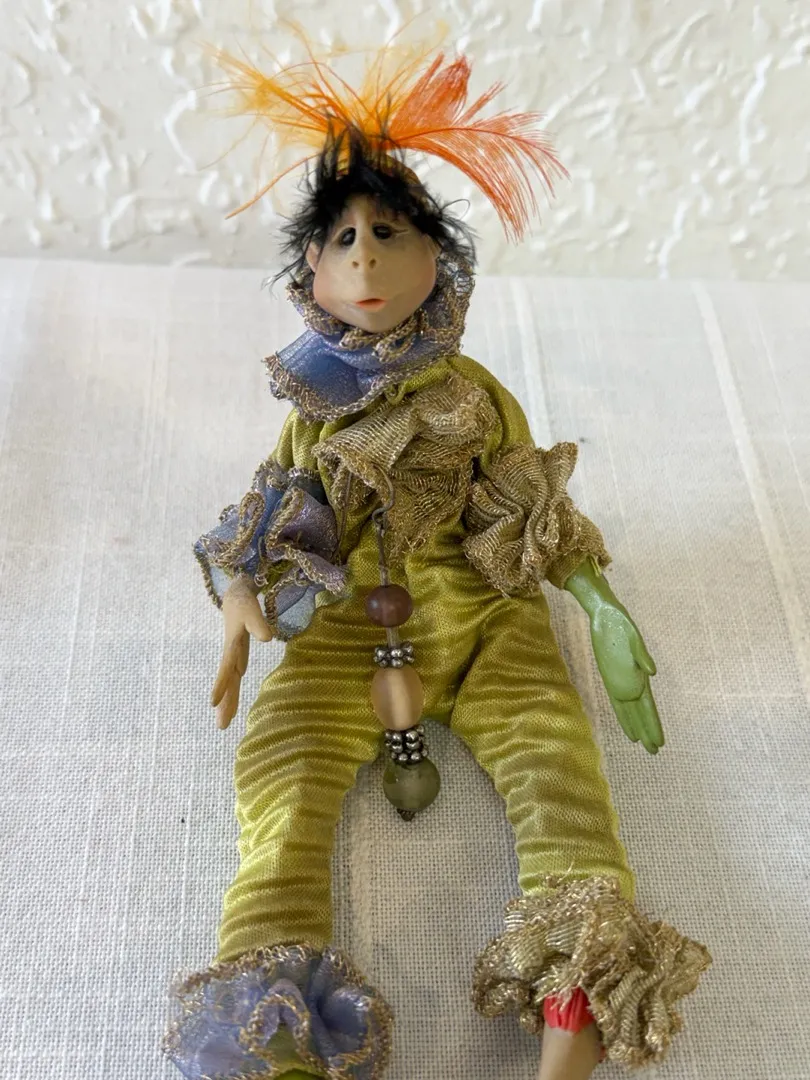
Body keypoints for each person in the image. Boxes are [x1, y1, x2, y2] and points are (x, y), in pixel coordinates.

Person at [163, 41, 710, 1080]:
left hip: (487, 617)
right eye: (343, 239)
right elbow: (269, 513)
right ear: (311, 270)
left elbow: (529, 502)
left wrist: (598, 604)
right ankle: (276, 1037)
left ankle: (577, 1008)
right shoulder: (312, 411)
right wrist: (238, 600)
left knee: (558, 770)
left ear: (438, 260)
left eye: (390, 234)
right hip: (341, 636)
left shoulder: (475, 398)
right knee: (280, 785)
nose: (366, 262)